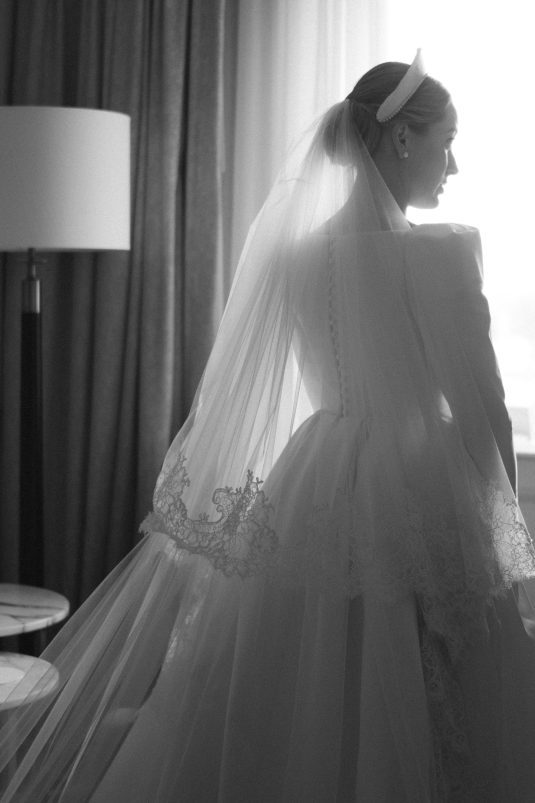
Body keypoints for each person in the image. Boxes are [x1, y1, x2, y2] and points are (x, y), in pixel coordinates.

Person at [2, 50, 535, 803]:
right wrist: (505, 543)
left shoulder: (293, 256)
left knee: (294, 684)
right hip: (420, 487)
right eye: (446, 142)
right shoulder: (443, 251)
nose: (454, 165)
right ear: (400, 138)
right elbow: (482, 406)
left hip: (316, 480)